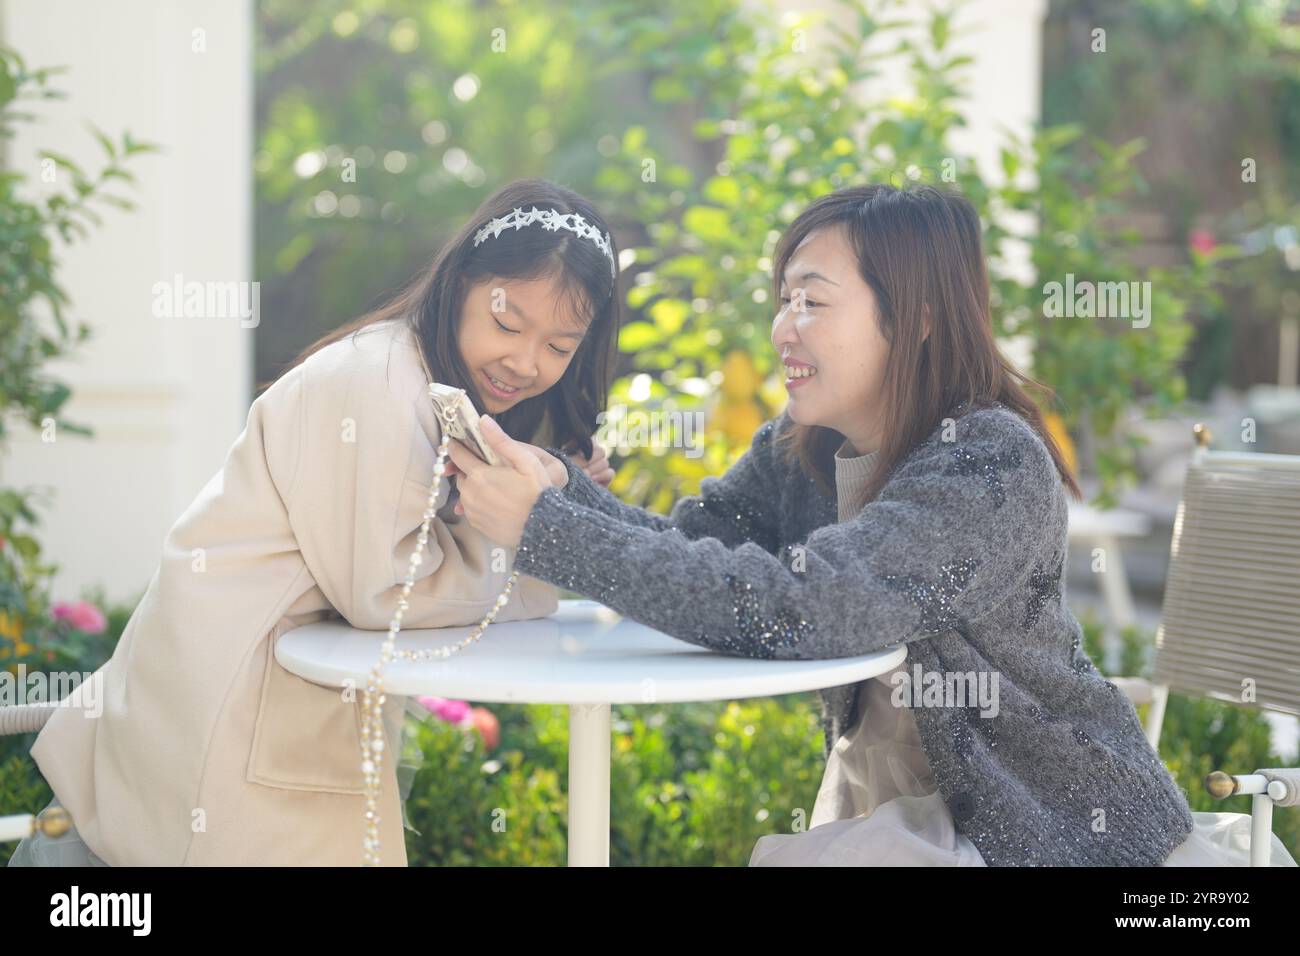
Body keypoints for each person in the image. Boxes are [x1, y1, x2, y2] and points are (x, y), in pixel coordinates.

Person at [446, 183, 1297, 867]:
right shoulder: (802, 450)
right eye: (783, 300)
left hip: (1050, 831)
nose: (783, 328)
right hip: (904, 816)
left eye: (812, 301)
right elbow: (689, 549)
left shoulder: (988, 462)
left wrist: (548, 529)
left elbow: (815, 609)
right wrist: (560, 488)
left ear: (917, 316)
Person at [7, 178, 621, 866]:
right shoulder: (377, 385)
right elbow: (388, 594)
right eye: (508, 324)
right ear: (460, 281)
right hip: (222, 719)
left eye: (560, 346)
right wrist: (536, 539)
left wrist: (535, 492)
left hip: (242, 711)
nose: (526, 361)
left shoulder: (425, 383)